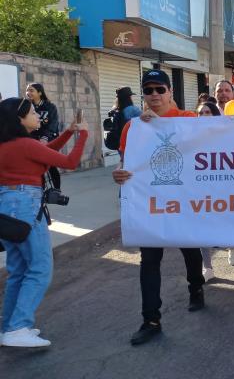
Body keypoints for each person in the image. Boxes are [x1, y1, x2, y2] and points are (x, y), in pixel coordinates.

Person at [112, 70, 206, 346]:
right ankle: (150, 319)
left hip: (185, 200)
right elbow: (124, 161)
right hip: (149, 203)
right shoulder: (134, 127)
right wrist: (119, 172)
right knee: (149, 260)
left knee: (190, 248)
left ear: (170, 92)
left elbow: (213, 145)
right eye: (148, 90)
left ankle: (196, 287)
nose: (154, 95)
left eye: (159, 89)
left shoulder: (189, 120)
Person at [0, 97, 88, 348]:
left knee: (18, 271)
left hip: (7, 207)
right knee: (39, 269)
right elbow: (70, 162)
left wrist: (70, 131)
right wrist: (82, 136)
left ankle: (10, 326)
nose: (38, 115)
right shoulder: (25, 145)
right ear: (19, 119)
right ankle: (18, 327)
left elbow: (46, 156)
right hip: (25, 206)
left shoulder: (10, 145)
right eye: (32, 112)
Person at [196, 101, 221, 281]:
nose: (204, 115)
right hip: (201, 190)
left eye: (208, 112)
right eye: (201, 112)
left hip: (223, 190)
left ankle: (233, 248)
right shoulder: (190, 136)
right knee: (202, 229)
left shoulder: (226, 134)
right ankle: (208, 267)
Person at [25, 83, 61, 191]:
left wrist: (45, 137)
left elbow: (53, 124)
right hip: (33, 139)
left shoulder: (50, 107)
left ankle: (57, 190)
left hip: (49, 139)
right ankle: (40, 189)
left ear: (40, 93)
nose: (28, 93)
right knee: (36, 166)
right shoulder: (26, 106)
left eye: (31, 90)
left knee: (51, 165)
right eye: (27, 90)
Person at [104, 87, 142, 152]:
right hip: (132, 143)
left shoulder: (114, 111)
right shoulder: (133, 110)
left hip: (120, 143)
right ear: (129, 98)